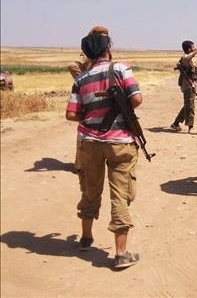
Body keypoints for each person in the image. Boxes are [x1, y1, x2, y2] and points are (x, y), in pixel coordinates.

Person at [66, 32, 143, 269]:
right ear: (108, 47)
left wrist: (91, 115)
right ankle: (121, 253)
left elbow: (71, 113)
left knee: (90, 190)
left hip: (89, 143)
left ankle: (86, 239)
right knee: (120, 194)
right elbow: (137, 99)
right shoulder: (120, 68)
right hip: (120, 143)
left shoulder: (81, 78)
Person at [67, 26, 110, 189]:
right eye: (101, 35)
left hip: (103, 94)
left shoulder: (106, 50)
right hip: (89, 95)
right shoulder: (89, 52)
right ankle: (80, 164)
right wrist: (87, 76)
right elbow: (74, 65)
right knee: (84, 132)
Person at [171, 40, 197, 133]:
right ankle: (190, 127)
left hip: (191, 84)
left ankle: (176, 124)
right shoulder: (186, 57)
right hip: (188, 85)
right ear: (189, 49)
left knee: (188, 105)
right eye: (193, 47)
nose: (194, 48)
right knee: (190, 107)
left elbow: (191, 70)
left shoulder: (188, 59)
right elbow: (191, 56)